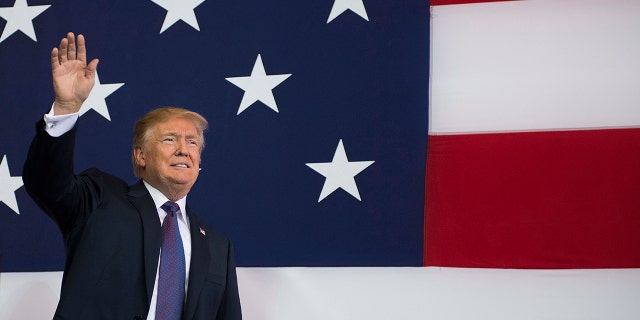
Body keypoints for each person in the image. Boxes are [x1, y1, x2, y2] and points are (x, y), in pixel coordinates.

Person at [23, 32, 242, 320]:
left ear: (199, 162)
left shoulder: (217, 246)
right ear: (141, 155)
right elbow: (46, 183)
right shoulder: (99, 199)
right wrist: (66, 109)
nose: (183, 150)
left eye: (192, 143)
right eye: (169, 140)